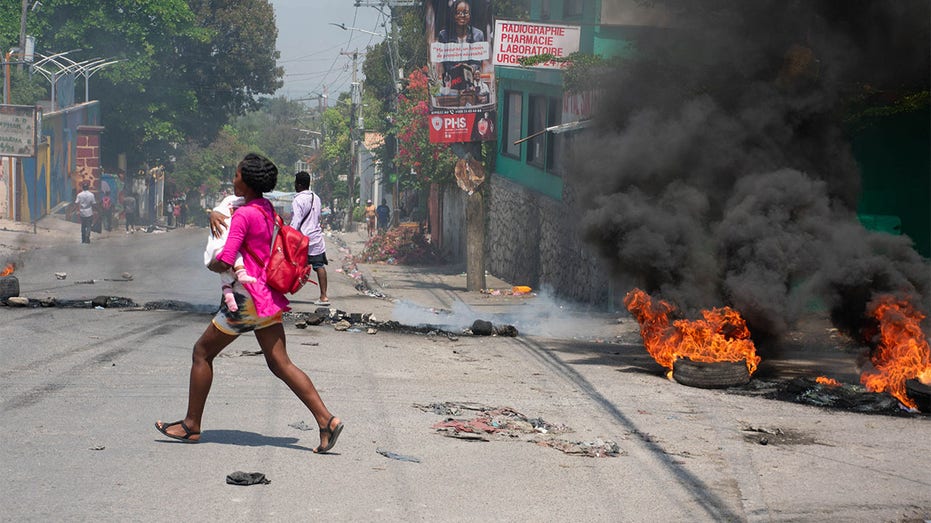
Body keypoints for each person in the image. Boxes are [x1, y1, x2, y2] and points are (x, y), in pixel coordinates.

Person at [155, 153, 343, 453]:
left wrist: (212, 263)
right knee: (280, 363)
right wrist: (210, 213)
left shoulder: (244, 216)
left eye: (236, 175)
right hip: (266, 295)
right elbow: (227, 207)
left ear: (247, 180)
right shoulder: (265, 208)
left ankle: (191, 425)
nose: (233, 180)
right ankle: (326, 420)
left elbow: (227, 258)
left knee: (201, 353)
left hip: (245, 300)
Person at [203, 194, 257, 313]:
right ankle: (227, 307)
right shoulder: (232, 202)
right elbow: (219, 211)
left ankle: (228, 306)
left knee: (228, 278)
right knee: (229, 272)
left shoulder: (255, 207)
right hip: (233, 251)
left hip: (244, 254)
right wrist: (214, 213)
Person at [291, 171, 330, 306]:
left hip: (302, 239)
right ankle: (324, 296)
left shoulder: (298, 200)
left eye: (295, 183)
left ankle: (281, 293)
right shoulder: (316, 198)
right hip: (316, 238)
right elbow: (318, 216)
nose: (295, 185)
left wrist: (289, 234)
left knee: (290, 265)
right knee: (319, 266)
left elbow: (296, 220)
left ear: (299, 185)